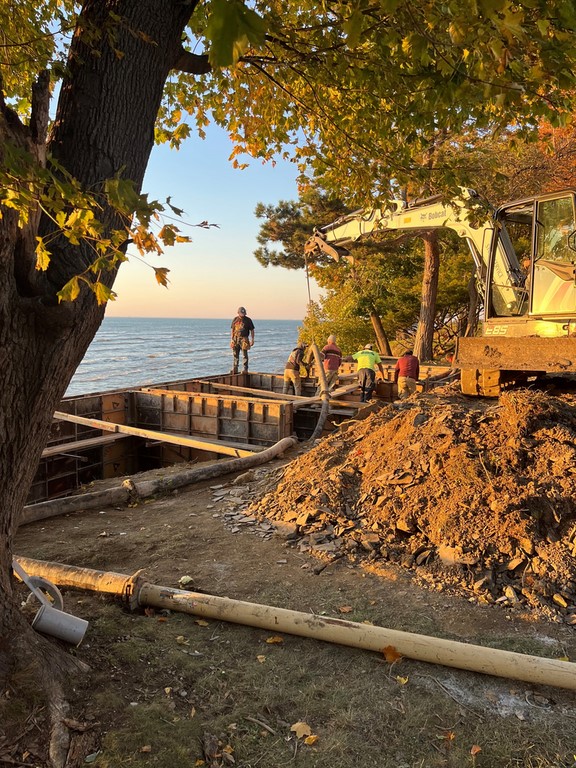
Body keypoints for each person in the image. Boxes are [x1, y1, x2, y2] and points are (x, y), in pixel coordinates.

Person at [230, 307, 255, 374]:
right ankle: (235, 368)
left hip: (244, 339)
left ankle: (245, 369)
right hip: (235, 339)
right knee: (235, 354)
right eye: (241, 313)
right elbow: (232, 330)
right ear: (238, 313)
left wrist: (252, 340)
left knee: (244, 355)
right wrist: (232, 340)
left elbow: (252, 330)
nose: (243, 315)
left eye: (243, 313)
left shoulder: (248, 320)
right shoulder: (235, 319)